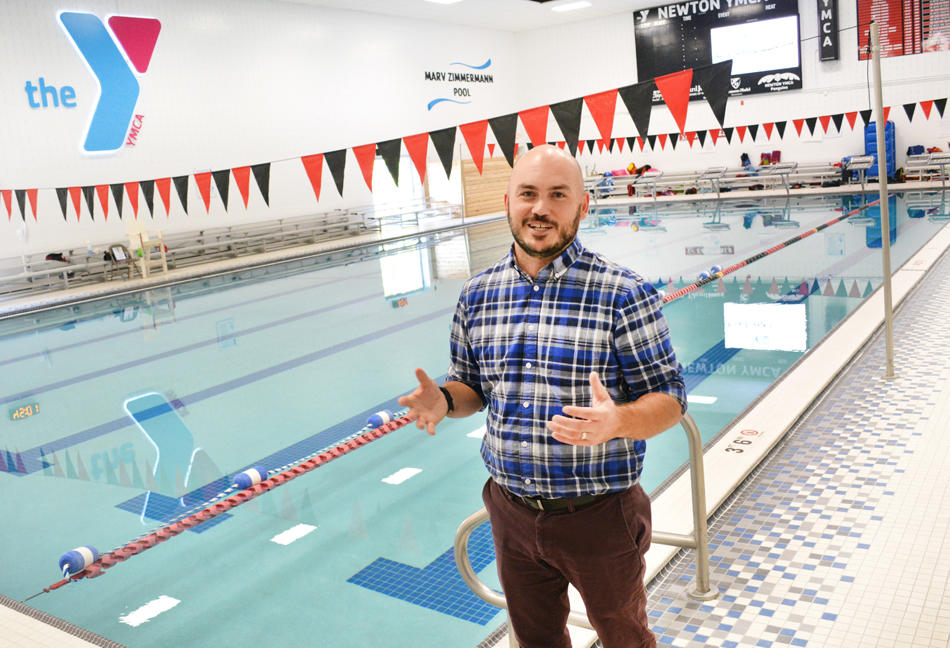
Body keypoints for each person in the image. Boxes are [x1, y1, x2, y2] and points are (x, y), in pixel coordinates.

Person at [398, 145, 686, 648]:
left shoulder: (623, 294)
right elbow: (470, 386)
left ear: (582, 206)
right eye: (528, 194)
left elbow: (669, 398)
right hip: (510, 511)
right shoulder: (478, 294)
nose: (540, 209)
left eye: (558, 195)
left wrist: (616, 421)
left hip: (599, 516)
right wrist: (445, 399)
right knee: (534, 641)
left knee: (625, 636)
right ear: (508, 201)